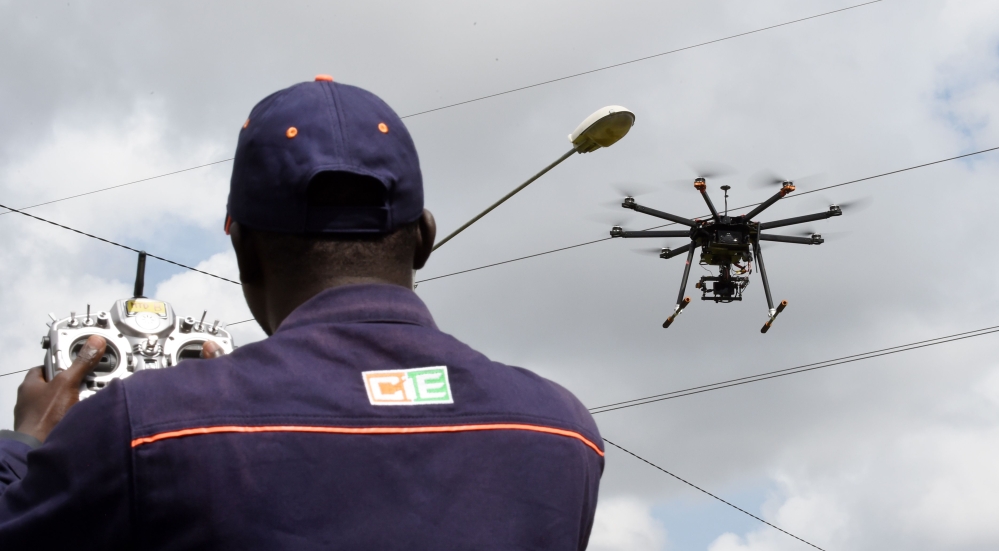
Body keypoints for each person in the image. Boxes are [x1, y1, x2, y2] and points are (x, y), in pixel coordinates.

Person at [0, 77, 604, 549]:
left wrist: (30, 442)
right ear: (423, 237)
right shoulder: (562, 431)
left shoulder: (148, 426)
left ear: (241, 245)